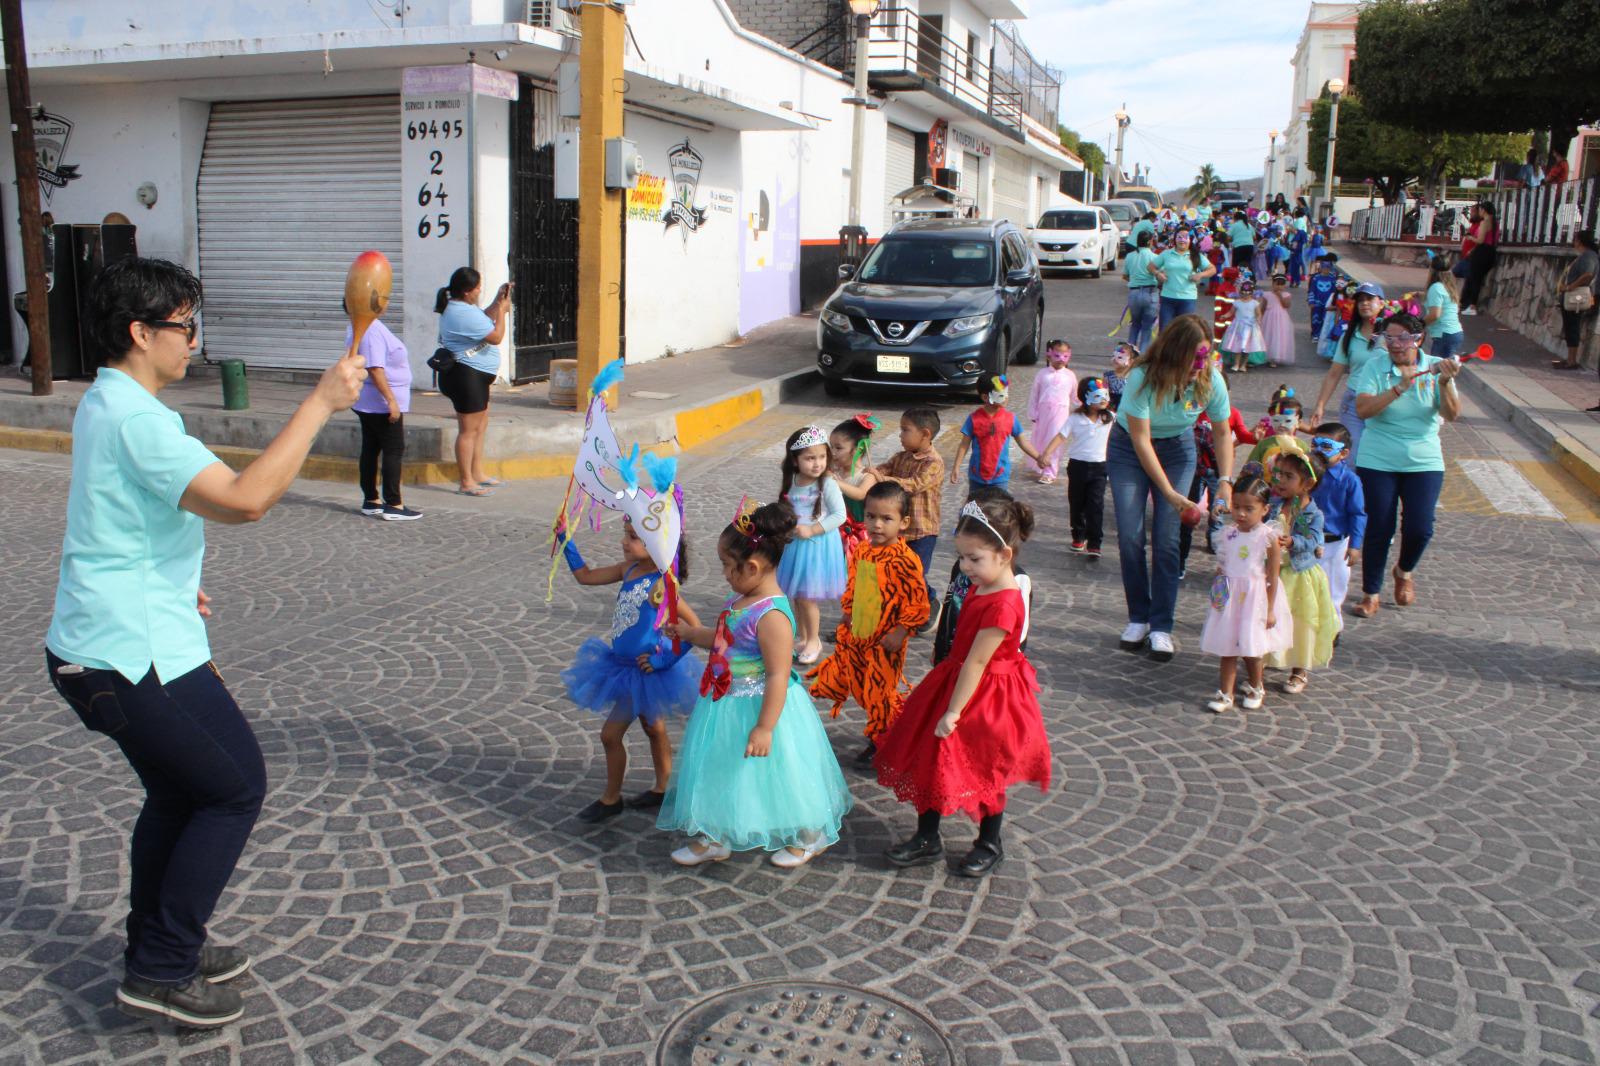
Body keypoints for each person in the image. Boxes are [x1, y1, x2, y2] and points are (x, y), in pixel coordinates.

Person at [44, 258, 367, 1028]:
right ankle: (161, 970)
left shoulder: (105, 401)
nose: (195, 342)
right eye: (185, 328)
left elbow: (116, 515)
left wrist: (164, 576)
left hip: (103, 640)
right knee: (232, 787)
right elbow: (245, 499)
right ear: (140, 332)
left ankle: (158, 946)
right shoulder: (139, 420)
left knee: (179, 792)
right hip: (130, 653)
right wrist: (320, 403)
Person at [658, 501, 853, 868]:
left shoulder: (772, 615)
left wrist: (765, 727)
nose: (723, 574)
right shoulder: (741, 599)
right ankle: (714, 834)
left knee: (782, 773)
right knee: (720, 766)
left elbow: (779, 673)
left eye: (726, 565)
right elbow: (724, 638)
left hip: (762, 707)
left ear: (752, 567)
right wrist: (689, 633)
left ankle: (809, 833)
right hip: (725, 704)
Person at [876, 495, 1050, 878]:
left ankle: (989, 842)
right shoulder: (980, 582)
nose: (965, 567)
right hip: (957, 679)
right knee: (932, 755)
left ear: (1004, 555)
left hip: (988, 695)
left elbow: (978, 661)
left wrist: (953, 711)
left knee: (986, 767)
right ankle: (927, 836)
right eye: (962, 557)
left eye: (974, 559)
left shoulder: (1004, 603)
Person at [1107, 315, 1235, 662]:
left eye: (1204, 358)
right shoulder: (1142, 377)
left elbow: (1223, 431)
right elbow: (1141, 440)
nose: (1198, 367)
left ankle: (1161, 625)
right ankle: (1138, 617)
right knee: (1131, 535)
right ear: (1174, 353)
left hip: (1178, 449)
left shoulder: (1210, 380)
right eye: (1192, 359)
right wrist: (1168, 493)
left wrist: (1225, 481)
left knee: (1167, 538)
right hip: (1129, 450)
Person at [559, 518, 701, 824]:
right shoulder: (628, 569)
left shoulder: (662, 586)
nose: (625, 542)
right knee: (654, 727)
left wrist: (664, 661)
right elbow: (585, 576)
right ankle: (663, 788)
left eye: (634, 537)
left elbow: (695, 628)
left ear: (657, 545)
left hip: (645, 673)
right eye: (626, 534)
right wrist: (566, 542)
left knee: (610, 734)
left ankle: (612, 799)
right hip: (619, 667)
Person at [806, 481, 930, 768]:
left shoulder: (905, 560)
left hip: (886, 641)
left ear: (903, 522)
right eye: (871, 516)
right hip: (860, 635)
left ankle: (884, 742)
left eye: (886, 518)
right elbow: (855, 583)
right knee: (862, 688)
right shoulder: (863, 549)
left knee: (881, 693)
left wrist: (900, 631)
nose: (877, 524)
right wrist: (848, 613)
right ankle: (890, 731)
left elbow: (917, 602)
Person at [1348, 312, 1462, 616]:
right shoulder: (1375, 366)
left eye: (1403, 338)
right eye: (1389, 338)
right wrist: (1399, 388)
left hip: (1424, 459)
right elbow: (1363, 409)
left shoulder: (1436, 366)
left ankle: (1404, 570)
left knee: (1420, 528)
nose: (1395, 345)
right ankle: (1371, 593)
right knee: (1379, 526)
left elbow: (1452, 414)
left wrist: (1445, 382)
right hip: (1378, 457)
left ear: (1418, 339)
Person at [1199, 473, 1290, 714]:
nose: (1240, 514)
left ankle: (1256, 686)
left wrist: (1270, 609)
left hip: (1254, 598)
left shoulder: (1268, 537)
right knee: (1227, 647)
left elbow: (1272, 576)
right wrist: (1218, 600)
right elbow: (1222, 568)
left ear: (1264, 509)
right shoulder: (1228, 534)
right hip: (1231, 596)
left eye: (1249, 509)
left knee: (1252, 647)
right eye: (1237, 506)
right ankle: (1225, 693)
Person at [931, 485, 1035, 665]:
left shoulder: (1017, 580)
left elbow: (1016, 636)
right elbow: (949, 605)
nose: (965, 565)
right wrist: (939, 645)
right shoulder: (962, 567)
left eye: (974, 558)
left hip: (984, 666)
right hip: (952, 656)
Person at [1264, 447, 1337, 693]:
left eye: (1289, 477)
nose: (1280, 481)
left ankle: (1299, 669)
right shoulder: (1274, 504)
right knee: (1269, 616)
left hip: (1299, 574)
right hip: (1274, 572)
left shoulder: (1312, 514)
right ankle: (1261, 662)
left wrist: (1294, 541)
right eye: (1279, 474)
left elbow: (1314, 539)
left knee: (1300, 622)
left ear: (1307, 484)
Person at [775, 425, 848, 666]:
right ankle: (805, 637)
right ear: (795, 460)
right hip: (797, 546)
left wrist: (812, 529)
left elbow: (840, 515)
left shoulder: (827, 483)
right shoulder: (792, 481)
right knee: (797, 596)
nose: (817, 464)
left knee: (807, 597)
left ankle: (814, 640)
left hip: (818, 546)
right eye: (810, 458)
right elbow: (788, 508)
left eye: (822, 457)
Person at [434, 267, 509, 496]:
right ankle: (466, 481)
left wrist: (497, 301)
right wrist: (503, 312)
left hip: (475, 375)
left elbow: (483, 319)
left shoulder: (464, 308)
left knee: (480, 425)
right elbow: (496, 337)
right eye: (477, 288)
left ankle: (477, 472)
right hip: (466, 376)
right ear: (467, 291)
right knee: (468, 430)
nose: (479, 291)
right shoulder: (460, 312)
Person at [347, 308, 420, 521]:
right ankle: (393, 504)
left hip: (369, 401)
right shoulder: (371, 330)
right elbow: (375, 368)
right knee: (393, 449)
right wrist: (391, 401)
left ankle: (371, 500)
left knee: (371, 449)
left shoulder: (358, 325)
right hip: (380, 403)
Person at [871, 408, 945, 609]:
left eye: (905, 430)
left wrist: (883, 479)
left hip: (922, 531)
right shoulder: (901, 457)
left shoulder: (934, 462)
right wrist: (870, 473)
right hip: (899, 529)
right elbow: (883, 468)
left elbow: (914, 484)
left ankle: (929, 599)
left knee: (915, 572)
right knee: (896, 570)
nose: (900, 435)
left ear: (925, 434)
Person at [1042, 375, 1116, 557]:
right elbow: (1061, 436)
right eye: (1098, 396)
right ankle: (1078, 535)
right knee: (1077, 504)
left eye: (1105, 396)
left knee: (1096, 505)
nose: (1104, 400)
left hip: (1100, 468)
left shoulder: (1110, 418)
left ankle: (1095, 542)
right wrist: (1047, 453)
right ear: (1086, 398)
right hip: (1078, 467)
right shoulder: (1075, 418)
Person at [1180, 401, 1256, 578]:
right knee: (1188, 509)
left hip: (1217, 472)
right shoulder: (1192, 408)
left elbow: (1242, 436)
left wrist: (1256, 437)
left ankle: (1214, 540)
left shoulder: (1231, 413)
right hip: (1195, 472)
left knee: (1217, 509)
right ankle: (1180, 558)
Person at [1311, 281, 1387, 459]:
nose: (1364, 303)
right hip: (1354, 402)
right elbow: (1334, 374)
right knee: (1353, 455)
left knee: (1379, 456)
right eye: (1360, 300)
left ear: (1382, 303)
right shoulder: (1349, 336)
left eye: (1369, 299)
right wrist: (1320, 405)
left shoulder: (1391, 336)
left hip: (1383, 402)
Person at [950, 376, 1043, 494]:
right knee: (975, 505)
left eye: (1006, 393)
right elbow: (964, 445)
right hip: (976, 476)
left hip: (1000, 477)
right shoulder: (974, 419)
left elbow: (1023, 442)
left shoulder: (1010, 419)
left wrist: (1038, 457)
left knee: (999, 505)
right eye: (1000, 394)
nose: (1006, 398)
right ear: (985, 397)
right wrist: (956, 467)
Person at [1309, 425, 1365, 617]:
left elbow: (1357, 513)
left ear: (1344, 453)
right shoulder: (1307, 474)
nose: (1318, 450)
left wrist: (1355, 545)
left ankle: (1333, 624)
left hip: (1336, 543)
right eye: (1314, 444)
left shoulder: (1350, 480)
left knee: (1334, 586)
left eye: (1326, 446)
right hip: (1307, 539)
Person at [828, 414, 880, 556]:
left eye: (838, 448)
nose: (833, 452)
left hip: (860, 538)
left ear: (858, 449)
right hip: (835, 534)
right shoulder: (834, 472)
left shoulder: (867, 475)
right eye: (831, 447)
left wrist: (836, 482)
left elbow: (860, 494)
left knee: (860, 567)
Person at [1025, 341, 1077, 484]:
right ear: (1049, 356)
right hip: (1043, 412)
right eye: (1057, 355)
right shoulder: (1042, 374)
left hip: (1060, 413)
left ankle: (1050, 471)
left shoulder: (1070, 375)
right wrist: (1032, 412)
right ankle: (1041, 463)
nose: (1061, 359)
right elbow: (1035, 394)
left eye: (1065, 356)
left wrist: (1086, 406)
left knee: (1054, 439)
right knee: (1042, 439)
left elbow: (1075, 395)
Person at [1150, 229, 1216, 329]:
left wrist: (1201, 274)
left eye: (1186, 237)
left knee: (1184, 331)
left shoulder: (1196, 255)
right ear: (1175, 239)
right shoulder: (1166, 254)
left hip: (1188, 299)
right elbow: (1151, 267)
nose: (1182, 240)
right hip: (1168, 297)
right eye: (1179, 237)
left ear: (1190, 240)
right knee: (1165, 331)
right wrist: (1158, 274)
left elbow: (1212, 269)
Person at [1554, 230, 1598, 379]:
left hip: (1576, 298)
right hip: (1572, 298)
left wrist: (1569, 287)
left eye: (1575, 239)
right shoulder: (1586, 255)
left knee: (1572, 327)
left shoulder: (1588, 256)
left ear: (1579, 240)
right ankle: (1569, 359)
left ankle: (1572, 361)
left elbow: (1588, 275)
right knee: (1569, 326)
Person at [1122, 231, 1160, 351]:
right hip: (1150, 292)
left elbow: (1125, 275)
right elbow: (1161, 276)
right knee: (1147, 327)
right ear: (1150, 241)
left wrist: (1134, 280)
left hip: (1134, 292)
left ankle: (1129, 355)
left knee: (1135, 325)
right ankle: (1142, 356)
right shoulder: (1154, 257)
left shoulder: (1130, 256)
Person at [1422, 254, 1465, 362]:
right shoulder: (1448, 286)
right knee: (1446, 366)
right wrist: (1419, 294)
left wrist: (1419, 323)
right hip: (1455, 332)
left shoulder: (1435, 287)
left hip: (1444, 334)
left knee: (1437, 367)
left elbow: (1435, 315)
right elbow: (1442, 300)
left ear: (1432, 270)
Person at [1459, 202, 1498, 315]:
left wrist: (1470, 237)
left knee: (1474, 279)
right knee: (1477, 279)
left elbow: (1480, 240)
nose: (1479, 212)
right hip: (1491, 252)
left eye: (1480, 210)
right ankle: (1469, 305)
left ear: (1484, 210)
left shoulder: (1485, 222)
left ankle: (1472, 306)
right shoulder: (1495, 222)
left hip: (1481, 252)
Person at [1222, 277, 1267, 373]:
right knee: (1237, 347)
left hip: (1250, 327)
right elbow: (1231, 312)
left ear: (1252, 293)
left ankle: (1243, 365)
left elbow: (1258, 313)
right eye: (1243, 293)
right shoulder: (1237, 303)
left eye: (1248, 293)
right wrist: (1225, 316)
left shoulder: (1255, 303)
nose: (1245, 295)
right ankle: (1236, 364)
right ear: (1240, 292)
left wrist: (1258, 319)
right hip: (1238, 327)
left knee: (1247, 347)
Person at [1262, 273, 1296, 366]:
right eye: (1277, 284)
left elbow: (1286, 305)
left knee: (1278, 336)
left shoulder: (1286, 295)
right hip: (1269, 317)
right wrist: (1260, 316)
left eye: (1281, 285)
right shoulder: (1267, 294)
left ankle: (1275, 356)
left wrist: (1280, 296)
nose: (1279, 287)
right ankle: (1266, 355)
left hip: (1281, 318)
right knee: (1269, 334)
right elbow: (1263, 307)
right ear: (1273, 284)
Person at [1306, 254, 1340, 342]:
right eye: (1324, 267)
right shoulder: (1315, 278)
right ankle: (1315, 334)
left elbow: (1334, 292)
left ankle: (1322, 334)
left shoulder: (1332, 278)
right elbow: (1312, 290)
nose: (1326, 270)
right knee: (1316, 318)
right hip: (1317, 303)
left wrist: (1334, 302)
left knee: (1326, 319)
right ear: (1321, 267)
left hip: (1327, 303)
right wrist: (1311, 301)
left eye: (1328, 268)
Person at [1228, 211, 1257, 280]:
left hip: (1239, 247)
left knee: (1236, 264)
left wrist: (1233, 239)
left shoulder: (1234, 225)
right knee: (1247, 264)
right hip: (1250, 246)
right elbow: (1254, 237)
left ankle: (1235, 279)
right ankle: (1251, 279)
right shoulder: (1248, 225)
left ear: (1236, 218)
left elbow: (1228, 237)